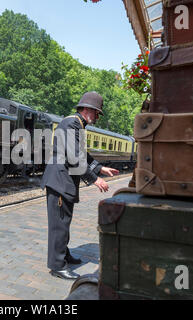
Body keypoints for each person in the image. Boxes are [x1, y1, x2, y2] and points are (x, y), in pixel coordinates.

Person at [40, 91, 119, 280]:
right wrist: (94, 179)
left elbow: (82, 154)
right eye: (97, 113)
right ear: (87, 109)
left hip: (63, 181)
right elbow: (74, 157)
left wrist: (100, 168)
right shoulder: (71, 123)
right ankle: (57, 265)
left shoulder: (77, 124)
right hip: (60, 181)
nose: (98, 117)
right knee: (59, 225)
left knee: (64, 222)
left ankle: (63, 253)